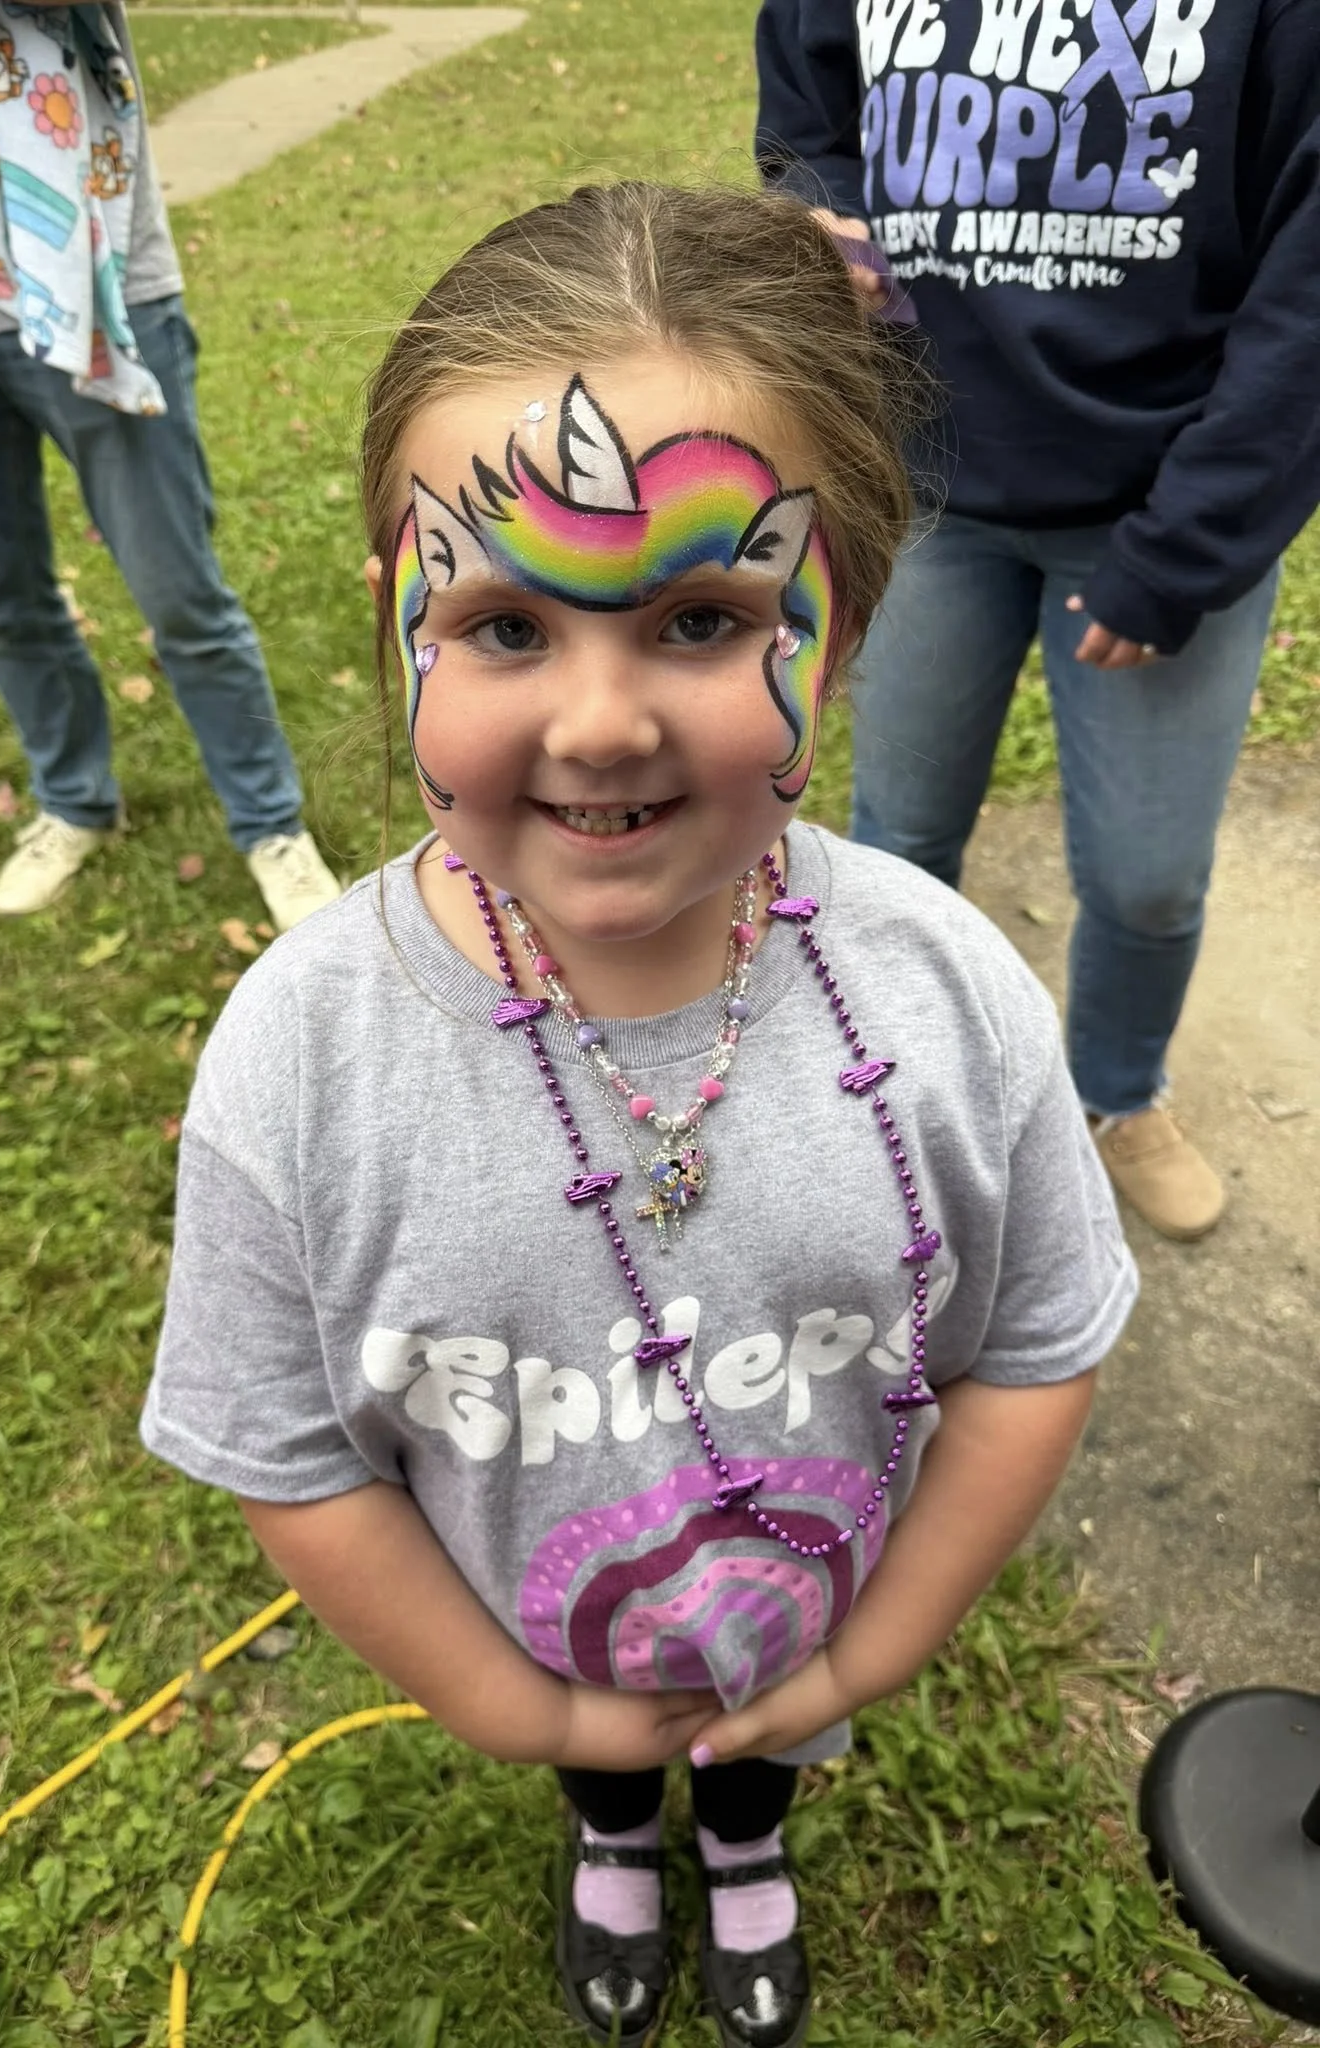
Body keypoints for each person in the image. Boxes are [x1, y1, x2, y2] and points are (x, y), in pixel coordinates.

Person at [140, 183, 1137, 2048]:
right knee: (621, 1764)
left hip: (814, 1626)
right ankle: (611, 1825)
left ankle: (745, 1842)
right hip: (546, 1641)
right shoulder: (299, 1061)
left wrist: (878, 1639)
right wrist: (543, 1718)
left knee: (760, 1752)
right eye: (506, 627)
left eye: (700, 615)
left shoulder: (944, 996)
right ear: (401, 620)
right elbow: (293, 1454)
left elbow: (1035, 1346)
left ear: (836, 631)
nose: (599, 723)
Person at [755, 0, 1320, 1242]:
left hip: (1160, 504)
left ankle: (1116, 1095)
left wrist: (1190, 545)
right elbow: (807, 101)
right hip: (923, 491)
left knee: (1148, 877)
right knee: (900, 840)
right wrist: (820, 212)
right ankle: (900, 1093)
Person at [0, 0, 341, 930]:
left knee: (183, 599)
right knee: (3, 604)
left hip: (102, 293)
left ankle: (270, 824)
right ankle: (75, 800)